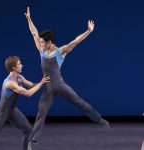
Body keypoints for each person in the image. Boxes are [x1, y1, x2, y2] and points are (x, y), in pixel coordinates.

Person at [25, 6, 110, 150]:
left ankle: (99, 119)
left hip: (59, 85)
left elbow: (75, 41)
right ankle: (32, 142)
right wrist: (29, 19)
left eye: (43, 42)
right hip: (47, 88)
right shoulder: (41, 49)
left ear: (50, 42)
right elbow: (34, 33)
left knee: (78, 102)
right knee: (41, 112)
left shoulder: (61, 51)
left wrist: (88, 31)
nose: (40, 43)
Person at [0, 56, 50, 150]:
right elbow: (28, 93)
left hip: (12, 111)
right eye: (19, 64)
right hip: (2, 112)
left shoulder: (20, 77)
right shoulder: (9, 83)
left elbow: (31, 85)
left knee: (29, 132)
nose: (22, 65)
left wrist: (43, 82)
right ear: (13, 67)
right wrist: (41, 84)